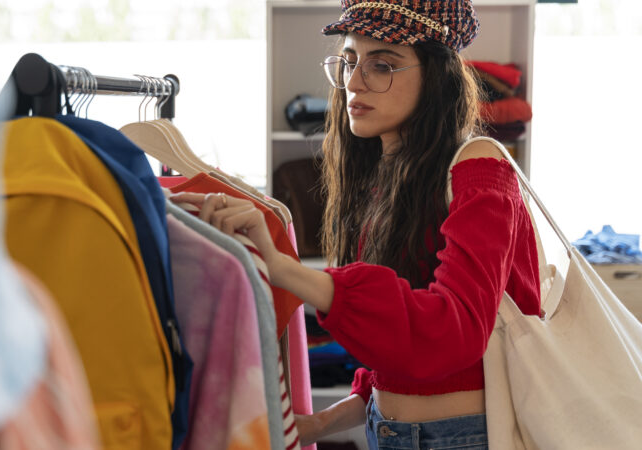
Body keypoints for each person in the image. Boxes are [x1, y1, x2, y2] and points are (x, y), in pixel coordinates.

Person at [172, 0, 541, 449]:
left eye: (382, 65)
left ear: (437, 78)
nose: (352, 82)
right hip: (390, 433)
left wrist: (289, 270)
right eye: (348, 62)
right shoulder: (390, 177)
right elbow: (397, 361)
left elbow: (453, 333)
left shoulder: (478, 168)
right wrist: (319, 424)